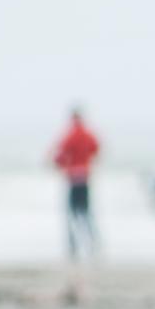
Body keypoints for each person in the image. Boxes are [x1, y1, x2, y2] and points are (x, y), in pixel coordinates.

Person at [52, 108, 100, 260]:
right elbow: (96, 149)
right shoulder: (88, 134)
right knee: (86, 213)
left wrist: (62, 165)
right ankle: (92, 243)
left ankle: (73, 247)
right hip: (84, 176)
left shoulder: (70, 135)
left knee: (72, 214)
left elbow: (59, 156)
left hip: (73, 178)